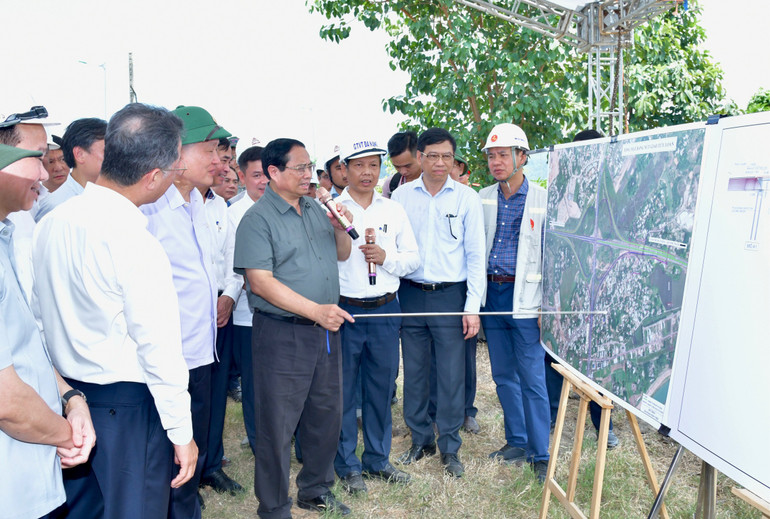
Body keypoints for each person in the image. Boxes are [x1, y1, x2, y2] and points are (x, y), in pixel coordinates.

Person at [32, 103, 196, 518]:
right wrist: (181, 431)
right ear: (153, 176)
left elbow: (36, 317)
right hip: (125, 407)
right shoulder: (135, 242)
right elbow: (158, 348)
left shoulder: (52, 222)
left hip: (66, 398)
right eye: (176, 168)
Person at [234, 138, 354, 518]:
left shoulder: (317, 209)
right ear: (273, 172)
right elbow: (260, 283)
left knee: (326, 414)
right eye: (300, 168)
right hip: (282, 333)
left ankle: (315, 489)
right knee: (277, 424)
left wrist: (339, 228)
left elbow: (342, 253)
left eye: (309, 166)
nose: (308, 175)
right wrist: (316, 310)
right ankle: (273, 505)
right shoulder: (257, 220)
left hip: (325, 330)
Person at [140, 105, 228, 518]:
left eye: (219, 151)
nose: (219, 161)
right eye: (208, 151)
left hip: (201, 350)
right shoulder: (149, 209)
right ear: (176, 152)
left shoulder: (199, 203)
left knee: (192, 446)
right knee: (166, 456)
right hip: (168, 358)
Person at [0, 141, 95, 519]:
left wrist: (71, 398)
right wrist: (67, 435)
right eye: (32, 158)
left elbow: (24, 345)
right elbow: (7, 403)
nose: (44, 173)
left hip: (31, 470)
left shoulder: (6, 237)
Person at [392, 128, 485, 477]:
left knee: (450, 374)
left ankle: (449, 445)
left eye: (447, 156)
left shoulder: (466, 198)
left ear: (453, 158)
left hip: (451, 295)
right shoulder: (401, 197)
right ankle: (420, 439)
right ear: (420, 157)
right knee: (415, 372)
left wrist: (472, 307)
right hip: (411, 293)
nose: (440, 163)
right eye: (432, 156)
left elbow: (476, 256)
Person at [333, 138, 420, 494]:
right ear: (344, 169)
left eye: (373, 165)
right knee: (342, 391)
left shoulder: (393, 209)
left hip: (385, 309)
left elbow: (413, 259)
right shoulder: (332, 208)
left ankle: (378, 459)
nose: (367, 172)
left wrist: (387, 258)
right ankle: (346, 463)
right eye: (358, 165)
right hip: (345, 309)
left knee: (381, 387)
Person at [478, 122, 550, 483]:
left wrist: (546, 306)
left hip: (527, 300)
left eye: (503, 155)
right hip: (492, 296)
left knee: (532, 377)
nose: (496, 162)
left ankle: (541, 453)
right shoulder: (482, 198)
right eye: (491, 156)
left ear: (522, 157)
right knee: (504, 374)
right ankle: (517, 441)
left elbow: (554, 257)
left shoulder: (543, 199)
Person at [544, 128, 619, 449]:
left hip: (597, 287)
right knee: (553, 354)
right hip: (563, 281)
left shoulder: (607, 185)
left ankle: (604, 425)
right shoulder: (560, 185)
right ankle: (549, 416)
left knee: (596, 358)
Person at [199, 138, 244, 496]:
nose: (222, 165)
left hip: (219, 310)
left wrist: (228, 296)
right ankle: (184, 471)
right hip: (185, 312)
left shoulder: (220, 206)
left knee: (214, 393)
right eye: (215, 156)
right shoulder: (164, 204)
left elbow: (233, 260)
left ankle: (211, 465)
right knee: (187, 393)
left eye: (226, 159)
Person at [229, 145, 267, 455]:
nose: (264, 180)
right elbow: (230, 266)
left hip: (287, 315)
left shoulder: (288, 208)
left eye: (268, 173)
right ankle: (259, 442)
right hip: (247, 316)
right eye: (256, 175)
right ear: (242, 177)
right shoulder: (232, 215)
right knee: (254, 383)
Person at [35, 117, 107, 221]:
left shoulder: (110, 196)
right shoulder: (55, 206)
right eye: (106, 150)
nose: (113, 156)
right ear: (79, 154)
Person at [382, 130, 421, 198]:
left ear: (419, 156)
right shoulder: (391, 184)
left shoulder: (435, 181)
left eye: (408, 166)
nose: (403, 172)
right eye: (397, 167)